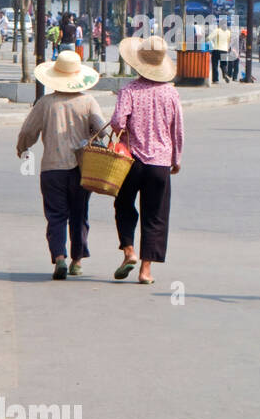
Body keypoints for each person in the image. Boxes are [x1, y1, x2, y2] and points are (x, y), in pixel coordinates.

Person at [16, 51, 106, 279]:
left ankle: (59, 258)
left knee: (56, 215)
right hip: (81, 168)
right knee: (79, 213)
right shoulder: (88, 101)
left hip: (52, 169)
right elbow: (101, 129)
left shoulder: (45, 103)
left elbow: (28, 131)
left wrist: (22, 147)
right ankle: (77, 260)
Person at [111, 36, 184, 285]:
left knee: (123, 205)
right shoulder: (171, 94)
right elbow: (178, 130)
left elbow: (118, 122)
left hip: (131, 161)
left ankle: (129, 251)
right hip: (160, 163)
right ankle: (146, 270)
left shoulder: (129, 91)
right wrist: (176, 159)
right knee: (155, 215)